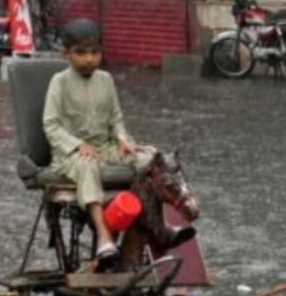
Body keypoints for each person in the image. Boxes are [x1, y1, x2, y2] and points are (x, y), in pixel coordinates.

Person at [43, 18, 195, 269]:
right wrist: (76, 145)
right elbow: (51, 125)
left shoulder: (106, 80)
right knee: (87, 164)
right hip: (70, 156)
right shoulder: (59, 82)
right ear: (66, 54)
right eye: (81, 53)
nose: (89, 59)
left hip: (106, 148)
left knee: (151, 157)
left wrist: (124, 140)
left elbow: (116, 119)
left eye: (95, 52)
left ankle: (161, 227)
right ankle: (104, 236)